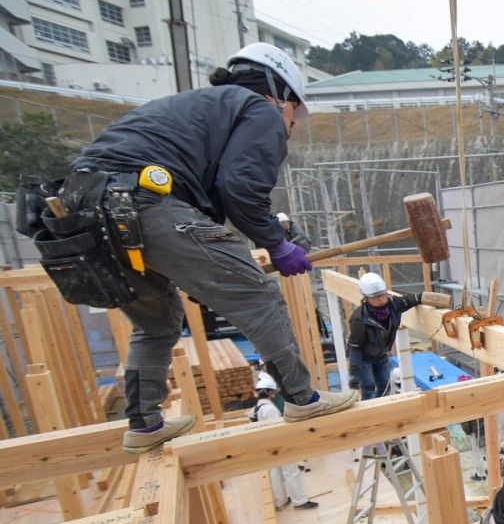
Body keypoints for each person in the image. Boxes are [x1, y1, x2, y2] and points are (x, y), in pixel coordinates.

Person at [65, 42, 357, 453]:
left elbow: (219, 195)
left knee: (157, 323)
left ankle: (144, 424)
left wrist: (277, 233)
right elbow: (240, 187)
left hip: (87, 212)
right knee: (260, 296)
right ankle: (301, 398)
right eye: (294, 113)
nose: (290, 125)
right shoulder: (261, 110)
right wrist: (275, 244)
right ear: (278, 94)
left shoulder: (200, 109)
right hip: (139, 203)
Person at [347, 272, 426, 399]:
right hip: (364, 359)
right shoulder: (359, 319)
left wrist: (422, 297)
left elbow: (410, 300)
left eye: (383, 295)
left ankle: (382, 410)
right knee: (369, 389)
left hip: (382, 355)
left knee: (385, 387)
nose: (381, 299)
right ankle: (370, 414)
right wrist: (354, 374)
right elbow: (355, 348)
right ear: (366, 298)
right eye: (376, 297)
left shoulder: (393, 306)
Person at [251, 372, 318, 511]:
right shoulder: (270, 409)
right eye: (273, 392)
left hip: (267, 447)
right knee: (291, 471)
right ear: (270, 392)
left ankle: (280, 501)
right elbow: (277, 430)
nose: (274, 394)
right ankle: (300, 501)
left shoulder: (255, 409)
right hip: (279, 445)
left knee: (275, 472)